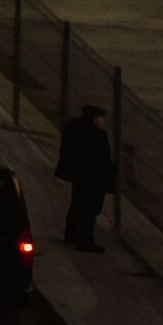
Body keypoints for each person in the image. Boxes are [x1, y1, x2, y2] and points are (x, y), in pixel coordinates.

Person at [58, 104, 117, 252]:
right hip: (94, 179)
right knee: (91, 210)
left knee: (77, 205)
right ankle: (85, 240)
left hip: (78, 176)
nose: (103, 121)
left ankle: (70, 235)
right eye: (101, 118)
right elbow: (102, 160)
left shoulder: (74, 129)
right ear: (95, 118)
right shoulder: (96, 136)